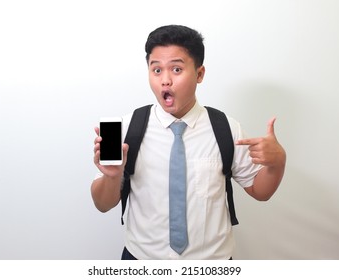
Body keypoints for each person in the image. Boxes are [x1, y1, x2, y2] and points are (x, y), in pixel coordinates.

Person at [91, 25, 286, 260]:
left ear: (199, 74)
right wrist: (112, 176)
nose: (165, 80)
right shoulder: (126, 129)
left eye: (176, 69)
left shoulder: (226, 128)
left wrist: (277, 163)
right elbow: (102, 204)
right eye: (156, 70)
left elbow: (260, 191)